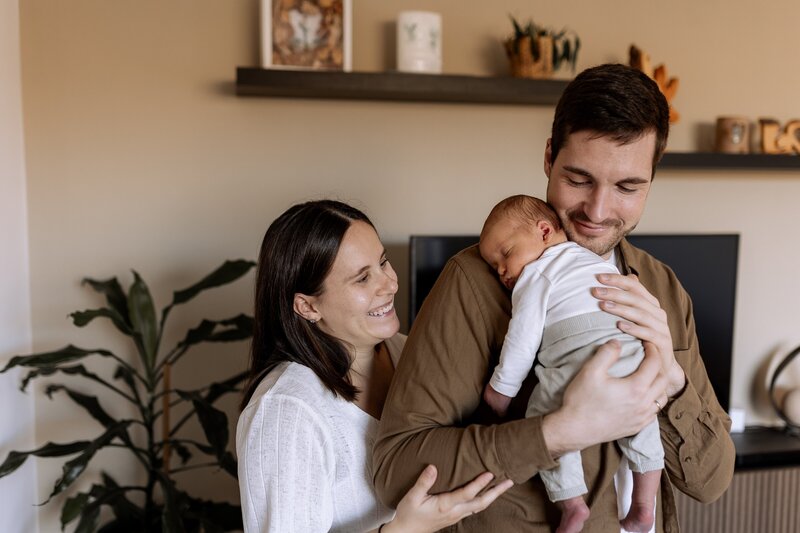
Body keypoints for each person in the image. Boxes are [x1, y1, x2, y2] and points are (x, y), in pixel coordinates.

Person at [373, 64, 735, 532]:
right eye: (579, 179)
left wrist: (671, 381)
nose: (597, 211)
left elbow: (711, 482)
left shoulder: (660, 287)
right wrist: (556, 433)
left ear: (651, 179)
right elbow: (396, 470)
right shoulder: (477, 282)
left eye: (627, 186)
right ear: (549, 157)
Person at [236, 200, 513, 533]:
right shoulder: (287, 412)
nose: (390, 284)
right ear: (307, 306)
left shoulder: (410, 352)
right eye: (362, 279)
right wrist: (403, 529)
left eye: (383, 262)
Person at [480, 195, 663, 533]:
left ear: (545, 231)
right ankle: (644, 505)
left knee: (547, 418)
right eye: (495, 266)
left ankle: (572, 503)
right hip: (627, 344)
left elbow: (523, 338)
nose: (502, 270)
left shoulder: (538, 274)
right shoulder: (594, 261)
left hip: (579, 350)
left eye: (505, 254)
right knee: (644, 415)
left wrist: (501, 389)